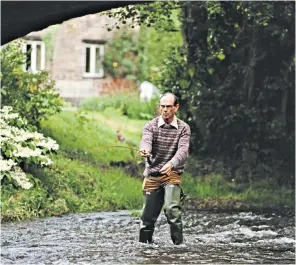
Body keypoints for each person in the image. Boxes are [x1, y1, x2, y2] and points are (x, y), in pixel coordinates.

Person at [138, 92, 191, 245]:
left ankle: (179, 249)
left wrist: (171, 164)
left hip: (172, 174)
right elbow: (146, 141)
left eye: (168, 106)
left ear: (176, 107)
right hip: (153, 175)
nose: (165, 110)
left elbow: (183, 151)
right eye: (162, 106)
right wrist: (145, 150)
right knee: (146, 219)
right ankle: (144, 249)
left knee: (172, 210)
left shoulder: (184, 128)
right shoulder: (150, 126)